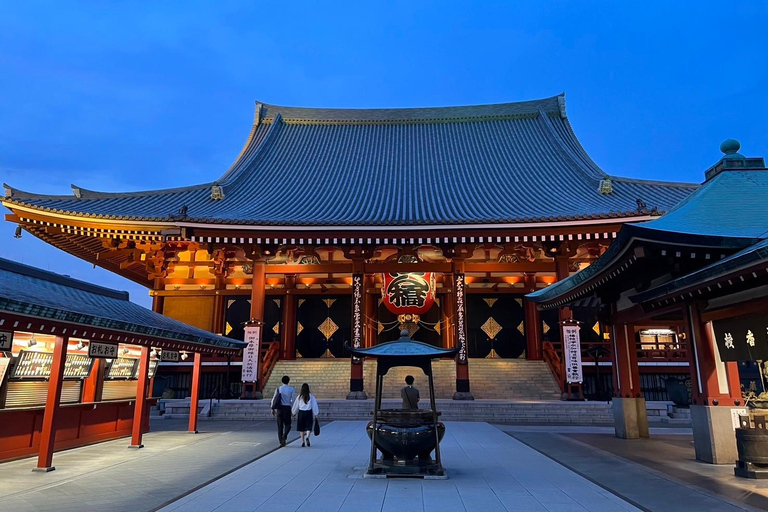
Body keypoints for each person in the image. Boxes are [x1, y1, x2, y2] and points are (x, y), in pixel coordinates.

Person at [291, 383, 319, 447]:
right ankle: (307, 437)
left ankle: (302, 441)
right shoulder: (311, 396)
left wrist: (294, 412)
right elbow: (314, 405)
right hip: (308, 412)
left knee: (301, 428)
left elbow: (296, 405)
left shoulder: (299, 397)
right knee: (308, 427)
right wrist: (316, 413)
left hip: (301, 413)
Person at [271, 375, 296, 447]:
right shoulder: (291, 389)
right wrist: (293, 410)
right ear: (288, 381)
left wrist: (272, 408)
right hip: (287, 408)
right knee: (288, 424)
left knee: (280, 426)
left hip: (279, 409)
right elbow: (294, 400)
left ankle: (281, 442)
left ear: (282, 381)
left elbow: (274, 399)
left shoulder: (279, 389)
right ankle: (284, 437)